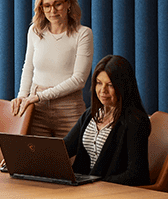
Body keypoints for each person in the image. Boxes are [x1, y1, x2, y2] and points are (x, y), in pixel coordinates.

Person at [10, 0, 93, 137]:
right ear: (40, 8)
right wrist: (22, 97)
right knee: (36, 160)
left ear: (68, 3)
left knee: (73, 160)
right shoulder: (34, 31)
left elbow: (79, 80)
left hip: (69, 108)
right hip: (36, 108)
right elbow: (28, 67)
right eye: (46, 6)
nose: (52, 11)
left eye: (58, 4)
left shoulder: (83, 34)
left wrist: (38, 96)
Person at [63, 54, 150, 186]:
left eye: (110, 85)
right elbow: (65, 148)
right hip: (84, 188)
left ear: (123, 87)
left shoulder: (135, 121)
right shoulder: (90, 115)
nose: (103, 90)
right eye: (99, 83)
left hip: (111, 193)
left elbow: (137, 174)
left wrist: (96, 183)